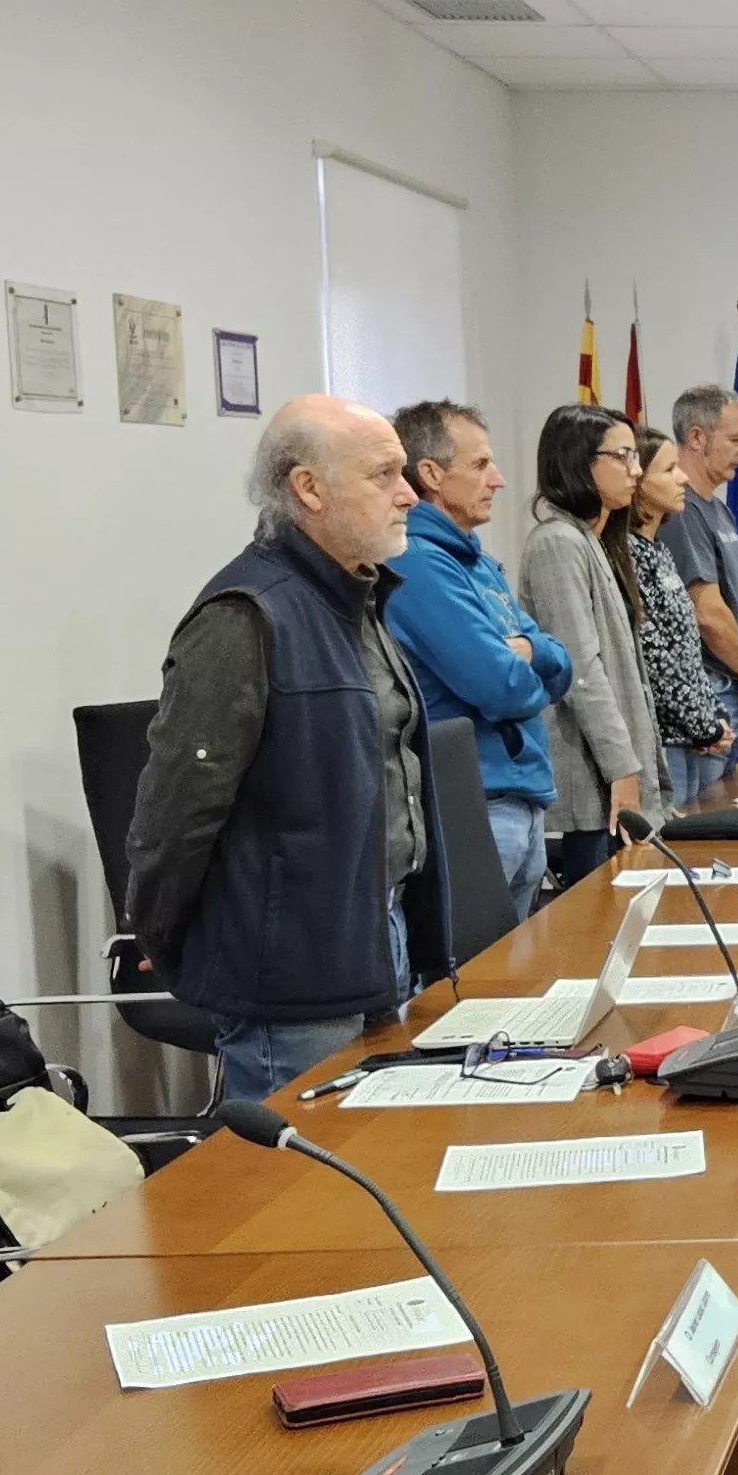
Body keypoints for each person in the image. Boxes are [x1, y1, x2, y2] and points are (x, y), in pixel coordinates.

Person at [127, 394, 428, 1105]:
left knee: (366, 1184)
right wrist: (160, 929)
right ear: (309, 488)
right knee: (298, 1200)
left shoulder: (355, 600)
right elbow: (178, 805)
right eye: (384, 475)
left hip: (373, 939)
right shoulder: (246, 614)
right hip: (292, 977)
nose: (409, 494)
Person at [385, 400, 574, 919]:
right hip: (475, 804)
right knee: (475, 990)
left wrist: (532, 653)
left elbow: (559, 659)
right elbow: (500, 685)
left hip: (521, 797)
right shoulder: (417, 562)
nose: (500, 479)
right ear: (431, 474)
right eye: (481, 465)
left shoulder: (476, 561)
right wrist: (532, 674)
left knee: (514, 983)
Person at [512, 404, 660, 888]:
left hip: (611, 774)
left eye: (635, 456)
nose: (636, 470)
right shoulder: (558, 542)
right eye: (622, 456)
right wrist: (624, 767)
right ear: (580, 462)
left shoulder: (595, 540)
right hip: (586, 784)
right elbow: (581, 668)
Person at [661, 384, 738, 802]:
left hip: (732, 689)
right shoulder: (682, 514)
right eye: (736, 439)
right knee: (705, 819)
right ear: (697, 437)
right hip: (706, 696)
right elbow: (708, 614)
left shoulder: (718, 509)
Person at [621, 427, 736, 776]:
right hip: (665, 739)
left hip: (692, 735)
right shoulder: (628, 555)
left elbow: (687, 652)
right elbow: (655, 658)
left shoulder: (658, 550)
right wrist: (704, 725)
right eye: (670, 470)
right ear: (638, 481)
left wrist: (713, 716)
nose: (683, 478)